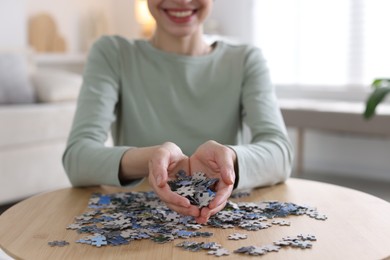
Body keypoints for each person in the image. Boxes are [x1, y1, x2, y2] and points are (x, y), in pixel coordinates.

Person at [62, 0, 293, 224]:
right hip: (141, 220)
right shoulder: (112, 53)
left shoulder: (246, 60)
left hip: (221, 221)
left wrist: (230, 159)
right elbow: (77, 158)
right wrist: (152, 159)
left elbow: (281, 154)